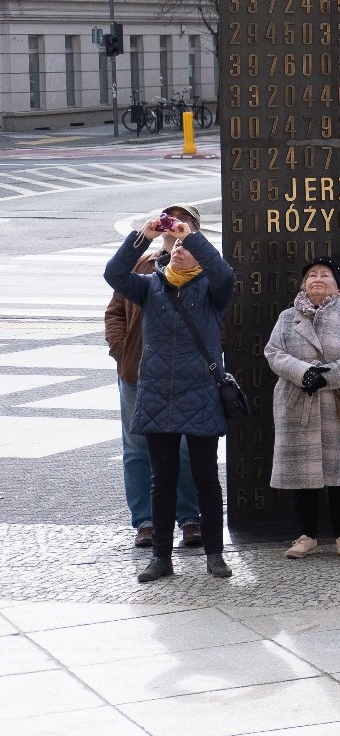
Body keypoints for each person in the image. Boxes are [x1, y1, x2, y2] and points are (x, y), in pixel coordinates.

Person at [104, 213, 236, 583]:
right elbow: (114, 275)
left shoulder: (212, 289)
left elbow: (225, 273)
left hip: (201, 394)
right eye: (175, 245)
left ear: (198, 253)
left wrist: (191, 235)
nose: (178, 249)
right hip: (158, 394)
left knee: (206, 477)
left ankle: (215, 554)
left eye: (186, 247)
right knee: (161, 479)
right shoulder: (150, 287)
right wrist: (142, 236)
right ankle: (161, 556)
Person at [105, 203, 204, 550]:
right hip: (137, 369)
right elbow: (115, 309)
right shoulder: (142, 265)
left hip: (185, 374)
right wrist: (120, 350)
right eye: (169, 220)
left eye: (183, 222)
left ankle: (190, 517)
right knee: (136, 449)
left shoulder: (205, 268)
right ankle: (144, 522)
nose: (173, 227)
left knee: (184, 448)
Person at [265, 257, 340, 561]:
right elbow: (273, 353)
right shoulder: (287, 318)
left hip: (337, 402)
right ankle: (307, 535)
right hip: (297, 403)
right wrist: (302, 372)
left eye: (325, 275)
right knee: (302, 474)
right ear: (303, 283)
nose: (318, 279)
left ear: (337, 285)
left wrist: (324, 377)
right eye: (311, 275)